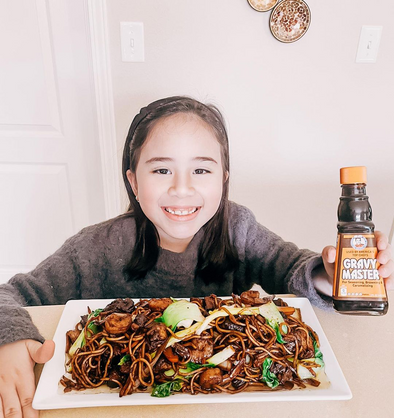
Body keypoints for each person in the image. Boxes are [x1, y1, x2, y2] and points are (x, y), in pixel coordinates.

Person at [0, 96, 393, 417]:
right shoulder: (95, 246)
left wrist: (330, 276)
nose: (182, 189)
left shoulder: (238, 227)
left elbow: (290, 267)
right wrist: (9, 340)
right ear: (133, 182)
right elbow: (10, 295)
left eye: (201, 171)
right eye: (161, 171)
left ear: (223, 178)